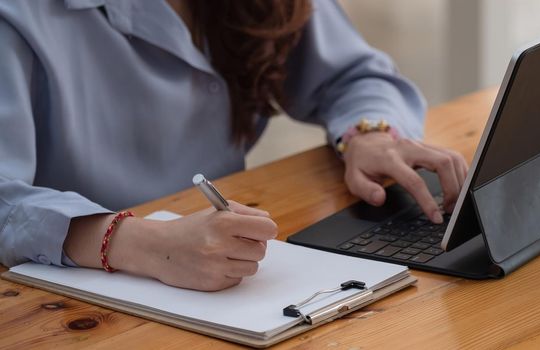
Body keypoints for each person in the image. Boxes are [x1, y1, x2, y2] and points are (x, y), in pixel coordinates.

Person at [0, 0, 468, 291]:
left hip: (228, 283)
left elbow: (353, 75)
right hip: (67, 294)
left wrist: (369, 134)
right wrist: (142, 244)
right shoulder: (18, 16)